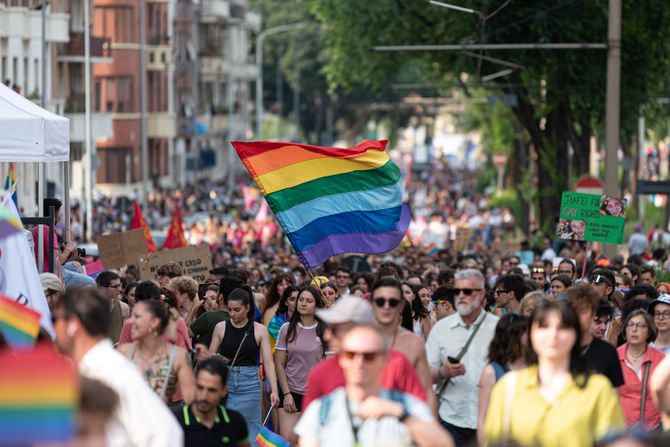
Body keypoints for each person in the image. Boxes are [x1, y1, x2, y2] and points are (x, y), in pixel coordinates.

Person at [52, 287, 183, 446]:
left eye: (55, 319)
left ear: (73, 325)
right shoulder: (96, 367)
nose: (53, 327)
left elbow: (165, 433)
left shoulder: (109, 371)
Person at [484, 300, 625, 447]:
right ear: (531, 334)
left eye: (563, 327)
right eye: (544, 327)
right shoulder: (508, 386)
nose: (553, 334)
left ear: (575, 335)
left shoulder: (598, 389)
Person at [294, 325, 453, 447]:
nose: (359, 362)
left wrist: (399, 413)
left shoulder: (407, 405)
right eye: (351, 354)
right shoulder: (322, 409)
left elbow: (444, 444)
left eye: (369, 356)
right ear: (341, 359)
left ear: (384, 360)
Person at [302, 296, 427, 410]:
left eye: (335, 330)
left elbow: (420, 412)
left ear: (360, 330)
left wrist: (396, 411)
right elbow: (310, 430)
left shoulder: (397, 363)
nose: (327, 336)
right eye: (328, 328)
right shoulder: (321, 373)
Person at [425, 269, 499, 445]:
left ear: (481, 294)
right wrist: (443, 372)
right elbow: (425, 374)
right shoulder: (440, 329)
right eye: (457, 291)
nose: (461, 296)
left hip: (490, 421)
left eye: (467, 291)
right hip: (451, 421)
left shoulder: (498, 328)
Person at [205, 286, 279, 446]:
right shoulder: (221, 327)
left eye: (237, 310)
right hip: (227, 384)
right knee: (228, 430)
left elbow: (268, 362)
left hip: (251, 384)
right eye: (230, 309)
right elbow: (209, 358)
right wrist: (219, 358)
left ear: (247, 308)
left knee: (253, 430)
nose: (232, 314)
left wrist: (274, 389)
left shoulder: (260, 330)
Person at [275, 285, 332, 443]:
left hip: (316, 395)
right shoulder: (286, 329)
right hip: (291, 392)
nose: (303, 303)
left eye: (309, 301)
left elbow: (330, 368)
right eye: (301, 300)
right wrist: (286, 394)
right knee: (288, 439)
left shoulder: (326, 330)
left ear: (317, 305)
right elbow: (279, 363)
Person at [371, 278, 436, 413]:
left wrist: (429, 423)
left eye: (393, 302)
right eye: (380, 301)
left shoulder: (414, 342)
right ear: (372, 304)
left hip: (407, 414)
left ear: (401, 305)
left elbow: (427, 391)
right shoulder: (359, 340)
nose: (386, 306)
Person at [117, 299, 196, 405]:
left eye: (138, 317)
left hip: (170, 406)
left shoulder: (177, 355)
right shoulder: (125, 351)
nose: (131, 322)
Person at [476, 313, 530, 446]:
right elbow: (483, 417)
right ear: (514, 336)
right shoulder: (491, 371)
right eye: (526, 331)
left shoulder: (538, 366)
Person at [174, 357, 249, 447]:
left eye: (212, 390)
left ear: (224, 391)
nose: (204, 396)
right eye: (200, 388)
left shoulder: (236, 422)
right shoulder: (174, 422)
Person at [566, 284, 624, 387]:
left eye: (584, 311)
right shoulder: (558, 347)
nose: (603, 327)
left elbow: (614, 392)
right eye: (576, 310)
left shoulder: (608, 352)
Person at [617, 309, 664, 430]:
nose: (634, 329)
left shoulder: (660, 359)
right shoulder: (615, 357)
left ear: (649, 332)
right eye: (630, 324)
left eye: (640, 325)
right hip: (620, 430)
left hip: (654, 429)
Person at [190, 276, 242, 349]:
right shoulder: (242, 319)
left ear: (220, 296)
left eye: (217, 292)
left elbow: (185, 333)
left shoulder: (208, 317)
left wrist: (194, 308)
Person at [95, 271, 128, 345]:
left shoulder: (124, 308)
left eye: (120, 285)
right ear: (102, 288)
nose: (119, 289)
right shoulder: (90, 309)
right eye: (115, 286)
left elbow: (126, 336)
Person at [267, 285, 299, 349]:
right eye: (292, 299)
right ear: (286, 302)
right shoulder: (275, 323)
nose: (296, 302)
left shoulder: (308, 319)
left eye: (299, 299)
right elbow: (288, 344)